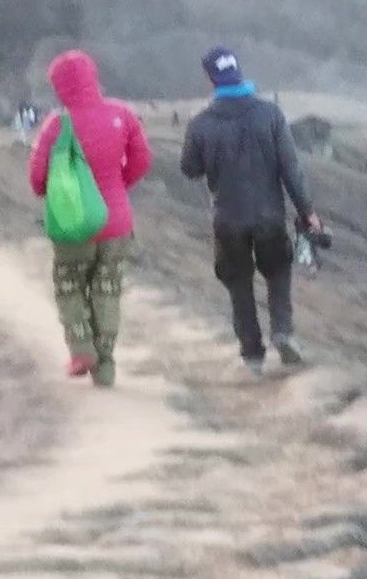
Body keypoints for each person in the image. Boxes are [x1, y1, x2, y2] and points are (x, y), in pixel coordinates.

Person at [180, 46, 318, 373]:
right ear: (239, 71)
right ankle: (283, 332)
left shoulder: (201, 124)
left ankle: (252, 354)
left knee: (238, 283)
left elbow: (190, 169)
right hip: (269, 215)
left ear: (210, 79)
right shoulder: (270, 114)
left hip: (227, 219)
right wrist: (306, 210)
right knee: (278, 272)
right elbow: (291, 169)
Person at [27, 52, 150, 388]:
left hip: (73, 225)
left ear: (60, 87)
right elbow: (142, 159)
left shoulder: (57, 125)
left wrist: (59, 194)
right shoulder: (122, 115)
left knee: (70, 286)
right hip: (116, 221)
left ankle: (81, 349)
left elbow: (37, 178)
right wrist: (117, 186)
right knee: (107, 289)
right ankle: (106, 367)